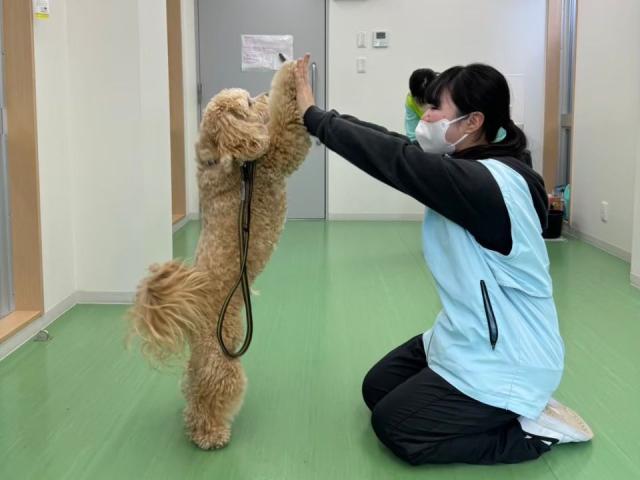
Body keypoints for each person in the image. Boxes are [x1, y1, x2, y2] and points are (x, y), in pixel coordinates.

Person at [293, 54, 593, 465]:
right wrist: (323, 116)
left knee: (395, 427)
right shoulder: (470, 166)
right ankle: (490, 403)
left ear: (473, 122)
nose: (425, 117)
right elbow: (399, 145)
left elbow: (397, 161)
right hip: (467, 332)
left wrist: (313, 117)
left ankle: (532, 432)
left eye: (435, 109)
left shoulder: (485, 185)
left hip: (509, 354)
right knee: (377, 388)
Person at [405, 68, 438, 140]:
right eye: (420, 101)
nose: (427, 107)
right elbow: (412, 134)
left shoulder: (448, 94)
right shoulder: (411, 99)